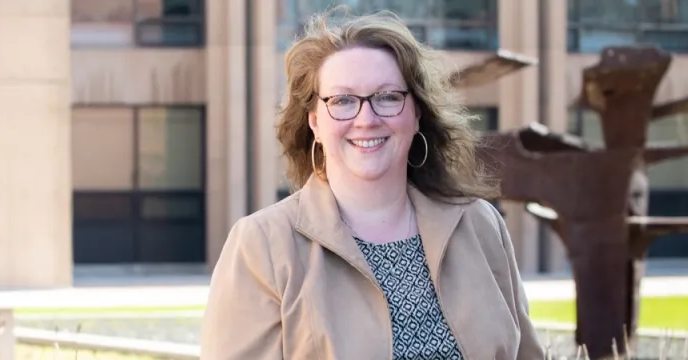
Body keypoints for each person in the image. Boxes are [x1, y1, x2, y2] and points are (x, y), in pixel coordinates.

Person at [200, 9, 544, 360]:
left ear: (417, 113)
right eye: (343, 100)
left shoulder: (479, 225)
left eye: (388, 97)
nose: (366, 119)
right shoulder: (261, 246)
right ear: (314, 121)